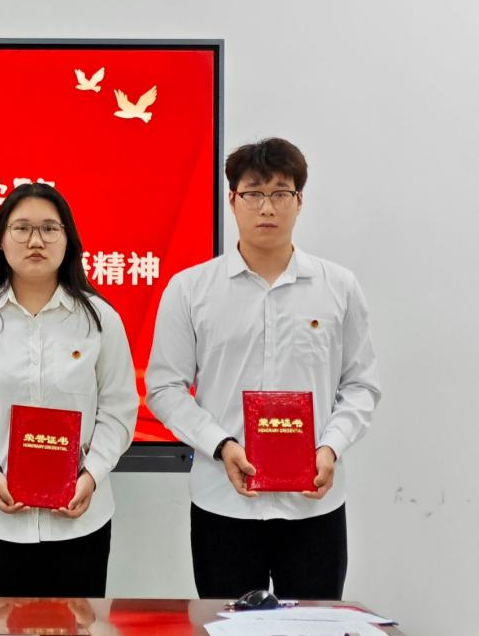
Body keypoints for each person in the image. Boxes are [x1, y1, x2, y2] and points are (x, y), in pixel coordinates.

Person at [146, 137, 381, 599]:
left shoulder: (338, 287)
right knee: (227, 624)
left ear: (300, 201)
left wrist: (330, 447)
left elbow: (360, 384)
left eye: (280, 193)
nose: (267, 207)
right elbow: (164, 387)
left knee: (314, 626)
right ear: (232, 200)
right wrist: (221, 445)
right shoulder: (191, 289)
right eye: (253, 193)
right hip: (223, 503)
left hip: (313, 505)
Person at [0, 183, 138, 597]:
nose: (36, 241)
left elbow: (118, 412)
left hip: (78, 522)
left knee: (75, 626)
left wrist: (91, 476)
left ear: (68, 240)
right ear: (0, 240)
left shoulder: (100, 320)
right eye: (21, 228)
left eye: (49, 229)